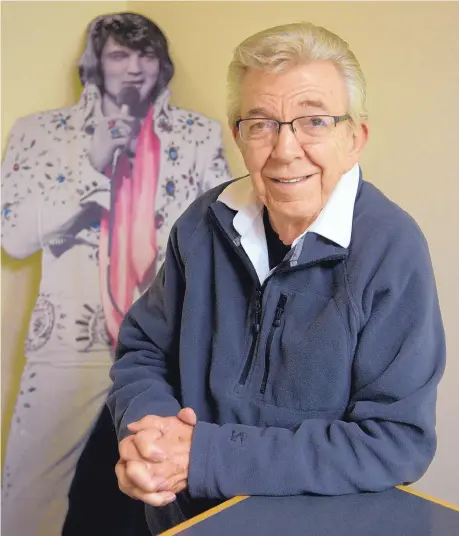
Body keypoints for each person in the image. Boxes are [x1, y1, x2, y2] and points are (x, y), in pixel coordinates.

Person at [107, 22, 446, 535]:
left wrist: (205, 456)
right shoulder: (202, 224)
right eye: (261, 123)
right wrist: (151, 432)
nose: (286, 150)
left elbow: (395, 441)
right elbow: (143, 350)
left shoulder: (392, 249)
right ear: (240, 136)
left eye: (315, 121)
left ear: (355, 137)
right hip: (185, 517)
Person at [1, 12, 231, 536]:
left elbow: (218, 234)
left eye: (145, 55)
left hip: (161, 347)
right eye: (118, 55)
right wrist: (93, 163)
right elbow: (12, 234)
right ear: (94, 65)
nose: (133, 67)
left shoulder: (196, 136)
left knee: (153, 494)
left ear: (162, 65)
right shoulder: (40, 133)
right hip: (69, 341)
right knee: (29, 493)